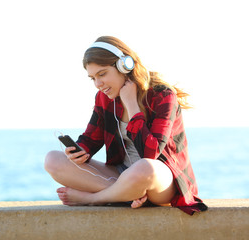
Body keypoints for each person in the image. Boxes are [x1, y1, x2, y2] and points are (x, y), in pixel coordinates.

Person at [44, 36, 208, 215]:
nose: (98, 84)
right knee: (53, 160)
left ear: (125, 66)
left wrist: (131, 104)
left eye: (102, 74)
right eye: (93, 78)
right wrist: (79, 151)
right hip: (123, 175)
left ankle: (95, 199)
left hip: (160, 180)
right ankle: (126, 194)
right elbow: (91, 138)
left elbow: (150, 154)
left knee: (145, 167)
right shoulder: (104, 98)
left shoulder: (162, 95)